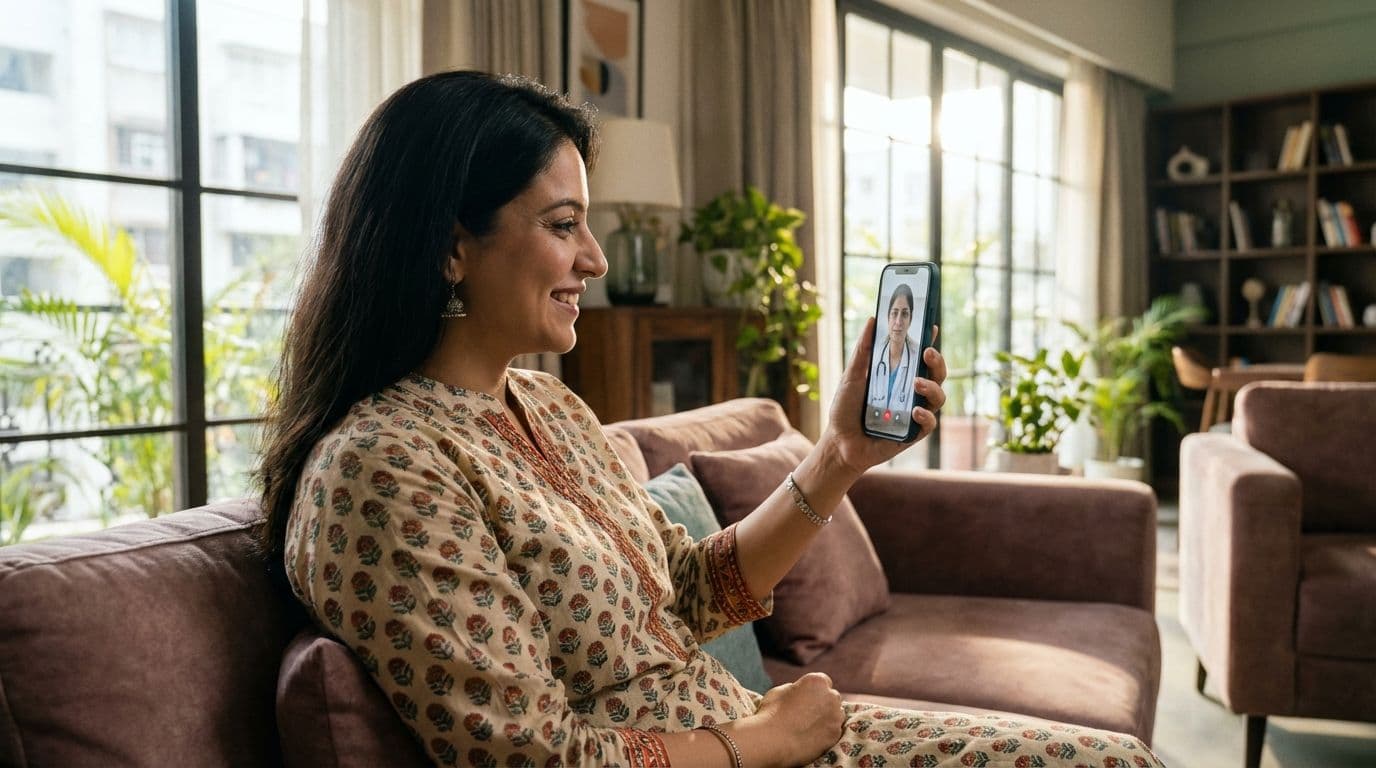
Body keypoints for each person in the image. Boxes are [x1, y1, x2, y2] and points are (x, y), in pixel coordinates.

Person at [258, 71, 1165, 768]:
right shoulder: (381, 470)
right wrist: (758, 744)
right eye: (563, 223)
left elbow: (686, 596)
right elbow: (532, 757)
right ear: (453, 246)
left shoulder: (547, 406)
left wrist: (841, 456)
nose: (596, 258)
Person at [867, 284, 920, 426]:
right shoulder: (874, 354)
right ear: (887, 317)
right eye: (894, 313)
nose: (898, 322)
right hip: (873, 429)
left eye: (904, 314)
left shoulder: (918, 357)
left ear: (911, 319)